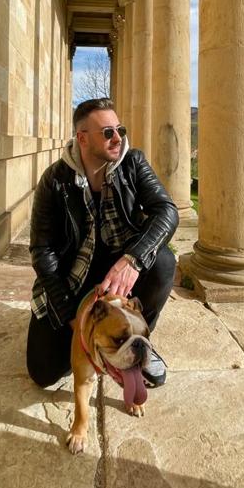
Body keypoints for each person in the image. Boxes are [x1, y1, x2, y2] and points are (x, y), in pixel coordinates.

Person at [26, 97, 179, 389]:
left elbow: (166, 210)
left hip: (119, 276)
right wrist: (70, 317)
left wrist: (133, 259)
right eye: (107, 132)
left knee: (162, 261)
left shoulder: (133, 163)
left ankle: (136, 341)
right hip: (73, 279)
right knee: (44, 373)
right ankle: (100, 338)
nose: (117, 138)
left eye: (119, 130)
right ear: (82, 138)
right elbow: (42, 252)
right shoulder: (55, 180)